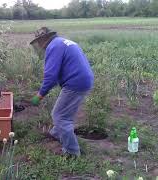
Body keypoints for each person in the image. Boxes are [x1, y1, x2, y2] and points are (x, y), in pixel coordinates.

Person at [30, 27, 94, 156]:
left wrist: (40, 95)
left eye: (39, 41)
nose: (39, 45)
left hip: (75, 83)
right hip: (83, 79)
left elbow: (50, 77)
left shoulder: (53, 47)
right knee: (64, 113)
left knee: (59, 116)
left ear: (43, 39)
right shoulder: (62, 42)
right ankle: (57, 133)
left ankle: (72, 152)